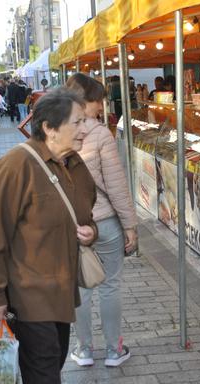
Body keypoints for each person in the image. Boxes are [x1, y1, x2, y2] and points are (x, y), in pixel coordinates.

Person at [0, 88, 96, 384]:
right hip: (27, 295)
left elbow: (84, 214)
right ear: (49, 128)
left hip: (61, 290)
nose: (86, 128)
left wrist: (90, 231)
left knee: (49, 365)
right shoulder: (15, 166)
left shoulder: (73, 162)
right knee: (45, 378)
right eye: (78, 121)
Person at [65, 73, 137, 367]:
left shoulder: (55, 131)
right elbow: (117, 185)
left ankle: (83, 350)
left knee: (80, 287)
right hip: (105, 221)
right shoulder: (99, 134)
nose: (101, 106)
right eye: (99, 100)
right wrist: (130, 224)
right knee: (109, 285)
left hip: (72, 223)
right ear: (88, 101)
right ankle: (113, 350)